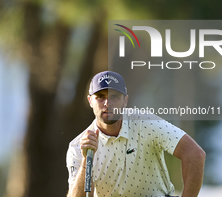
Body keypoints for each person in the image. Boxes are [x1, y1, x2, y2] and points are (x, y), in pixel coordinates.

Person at [66, 71, 206, 197]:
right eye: (101, 97)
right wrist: (86, 161)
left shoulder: (146, 122)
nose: (108, 103)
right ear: (90, 101)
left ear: (125, 100)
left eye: (115, 96)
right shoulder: (77, 146)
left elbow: (194, 154)